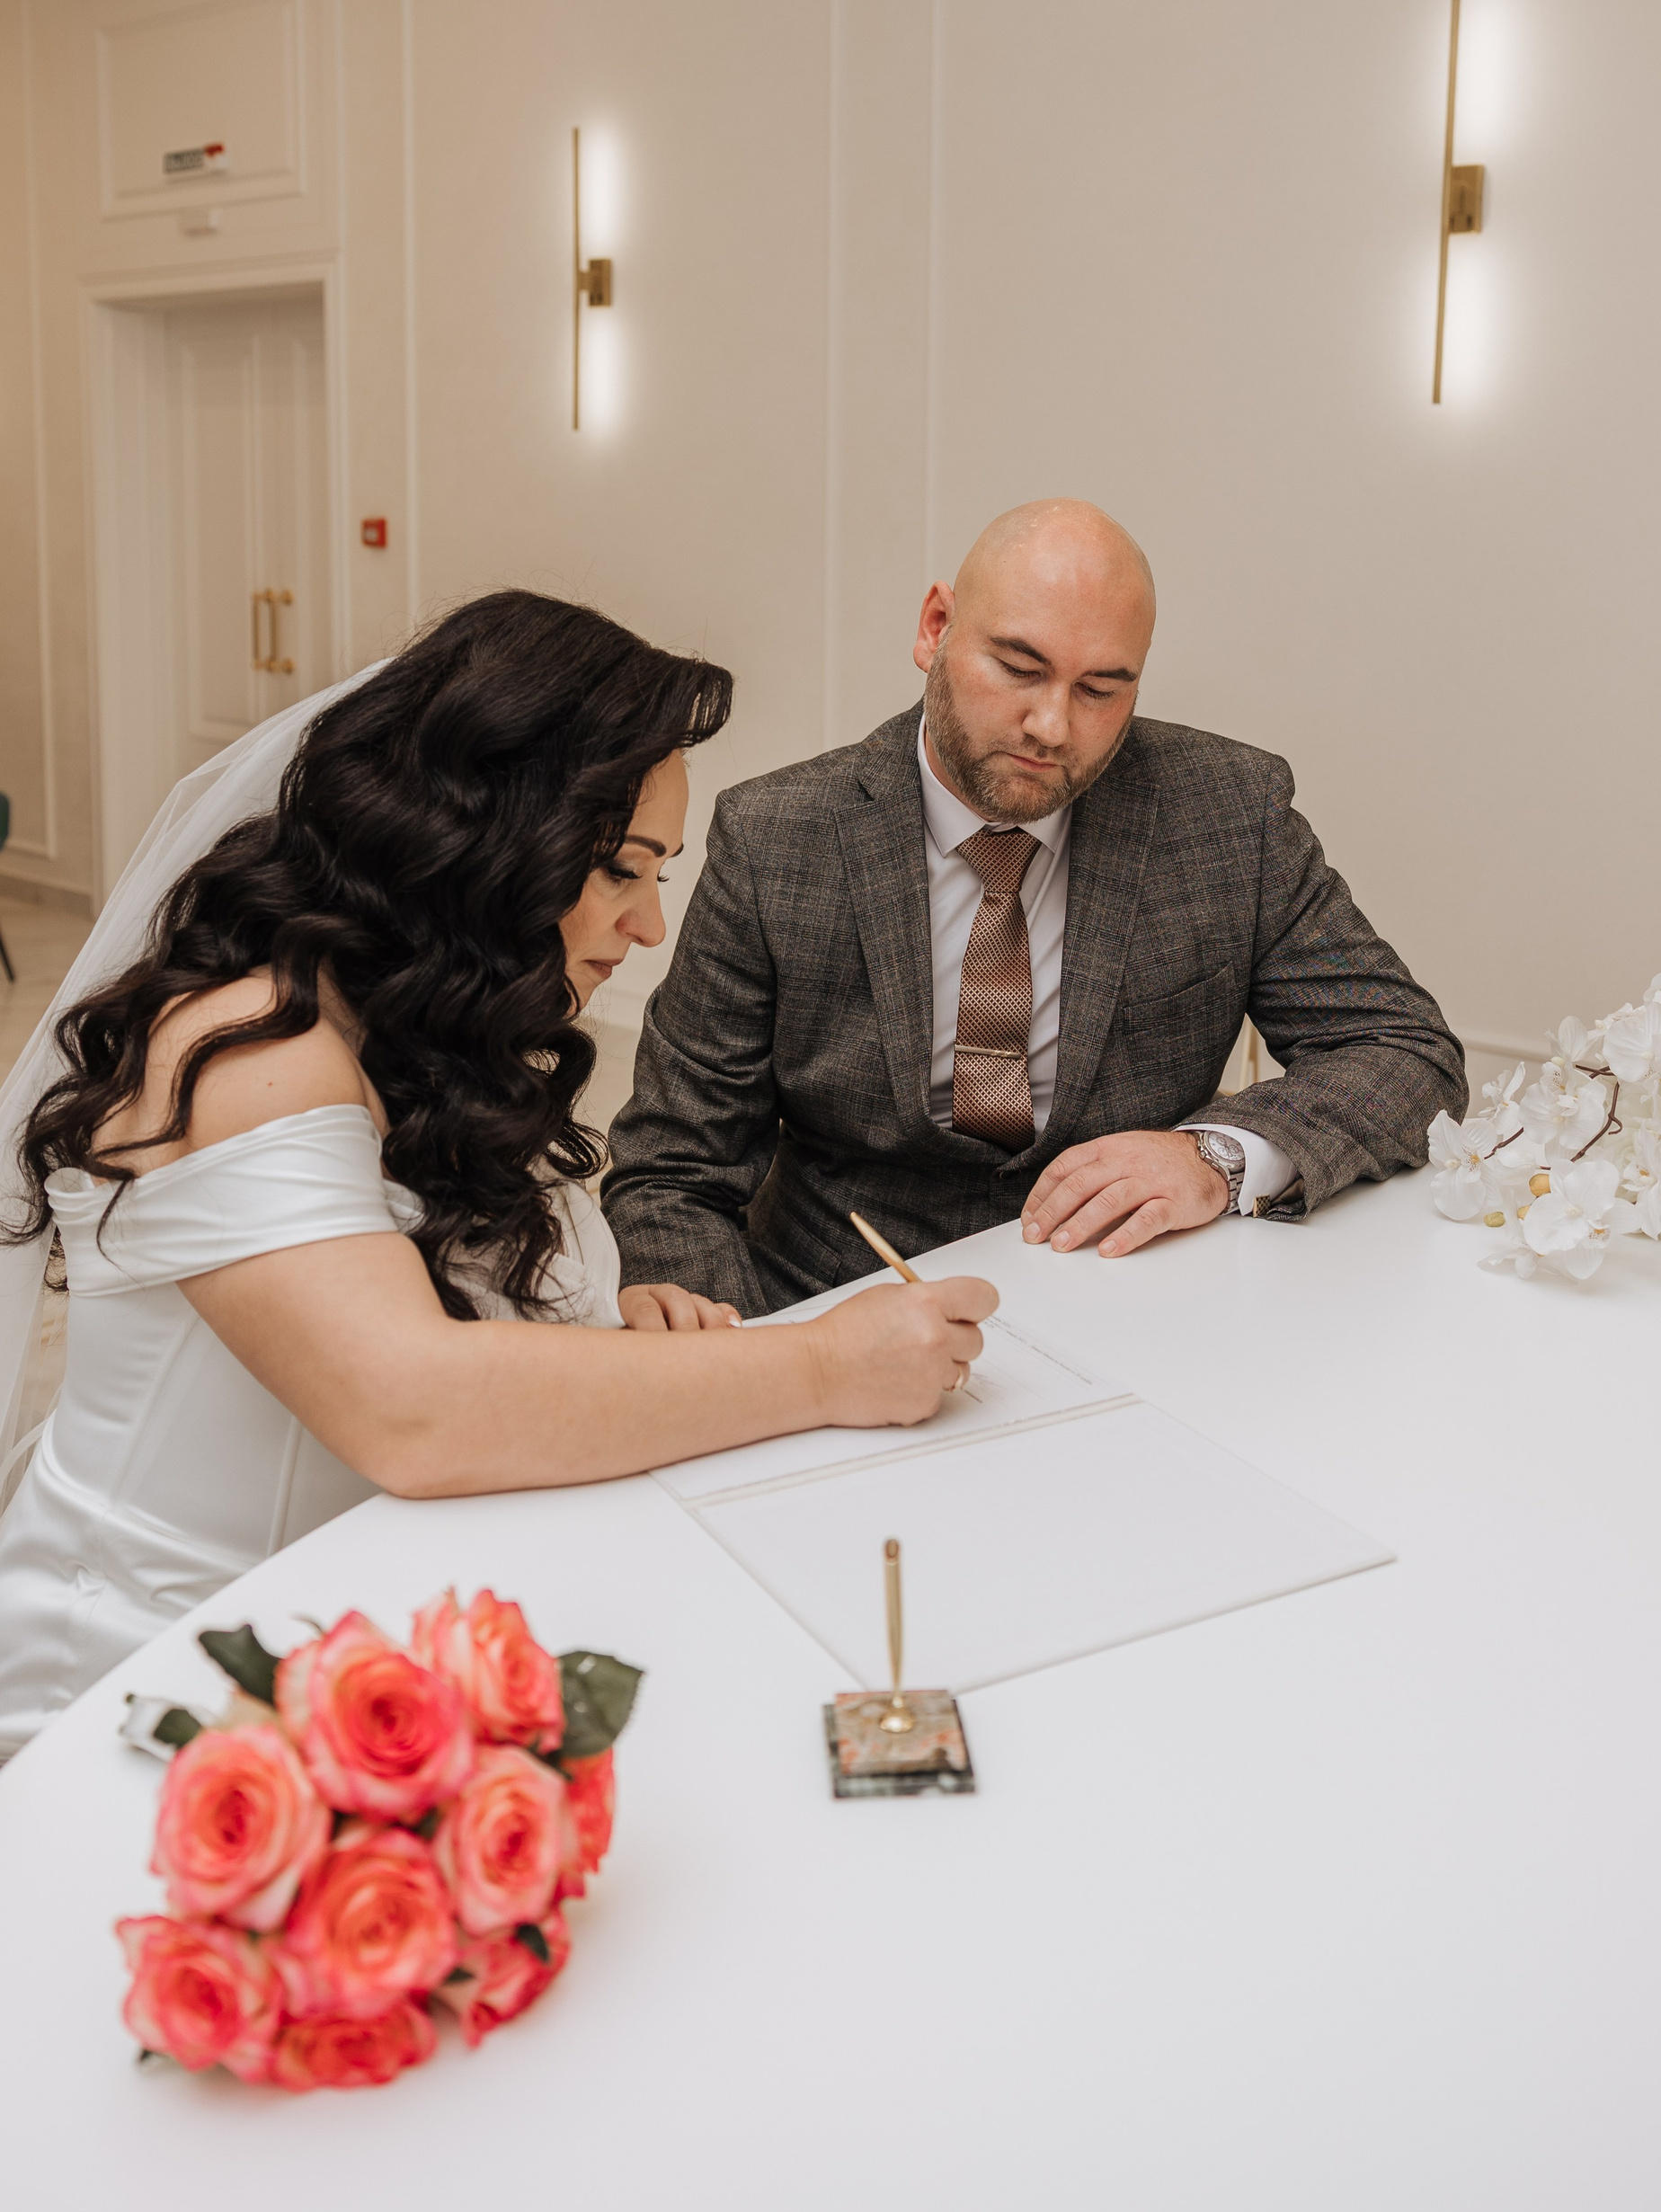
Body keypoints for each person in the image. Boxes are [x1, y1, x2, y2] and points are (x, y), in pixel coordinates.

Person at [0, 592, 993, 1759]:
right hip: (154, 1681)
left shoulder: (417, 1028)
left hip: (353, 1639)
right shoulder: (248, 1050)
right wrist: (823, 1365)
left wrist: (607, 1339)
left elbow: (404, 1304)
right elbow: (411, 1406)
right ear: (489, 837)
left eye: (660, 874)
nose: (650, 926)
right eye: (622, 870)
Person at [604, 500, 1468, 1311]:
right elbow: (674, 1169)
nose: (1052, 727)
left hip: (1135, 1304)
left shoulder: (1230, 814)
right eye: (1019, 669)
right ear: (935, 628)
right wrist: (741, 1357)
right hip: (833, 1300)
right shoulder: (778, 837)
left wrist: (1213, 1157)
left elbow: (1404, 1050)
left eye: (1101, 690)